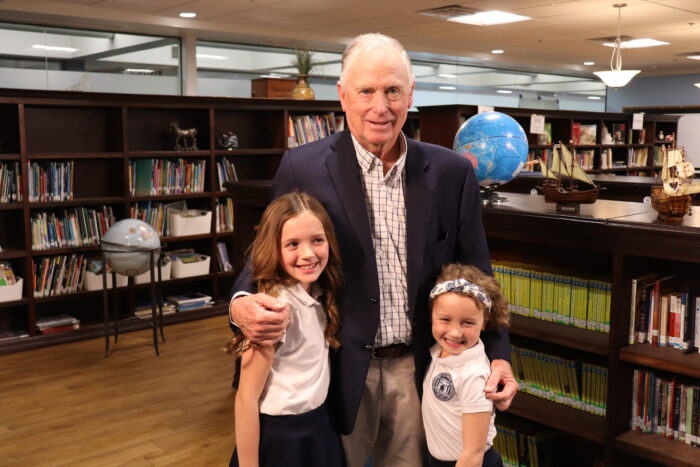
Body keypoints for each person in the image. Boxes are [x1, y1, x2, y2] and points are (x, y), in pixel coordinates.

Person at [229, 32, 518, 466]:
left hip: (419, 365)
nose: (380, 107)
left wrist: (498, 356)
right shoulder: (302, 167)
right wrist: (240, 305)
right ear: (343, 95)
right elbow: (268, 254)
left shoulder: (452, 173)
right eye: (366, 91)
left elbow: (477, 274)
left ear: (410, 95)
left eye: (392, 91)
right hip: (336, 368)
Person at [227, 192, 344, 467]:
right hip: (282, 439)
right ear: (273, 248)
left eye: (317, 240)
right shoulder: (273, 311)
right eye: (292, 244)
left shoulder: (321, 293)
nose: (308, 254)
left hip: (320, 427)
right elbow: (246, 399)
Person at [422, 264, 510, 467]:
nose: (455, 333)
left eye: (467, 323)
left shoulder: (474, 374)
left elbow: (474, 451)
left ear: (485, 321)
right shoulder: (438, 351)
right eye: (445, 319)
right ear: (431, 316)